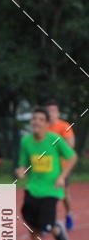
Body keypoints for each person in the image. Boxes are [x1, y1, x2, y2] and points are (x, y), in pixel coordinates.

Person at [15, 107, 76, 240]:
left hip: (52, 189)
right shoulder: (26, 141)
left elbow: (72, 157)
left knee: (44, 225)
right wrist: (21, 170)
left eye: (41, 119)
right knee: (32, 226)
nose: (36, 122)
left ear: (47, 123)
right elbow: (23, 163)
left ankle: (56, 229)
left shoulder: (55, 139)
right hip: (33, 188)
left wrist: (62, 176)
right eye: (34, 118)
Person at [45, 99, 76, 230]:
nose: (51, 113)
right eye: (48, 111)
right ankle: (47, 222)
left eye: (53, 111)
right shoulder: (43, 128)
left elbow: (70, 146)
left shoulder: (64, 126)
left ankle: (68, 214)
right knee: (45, 196)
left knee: (64, 195)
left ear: (58, 113)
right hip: (45, 168)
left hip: (62, 168)